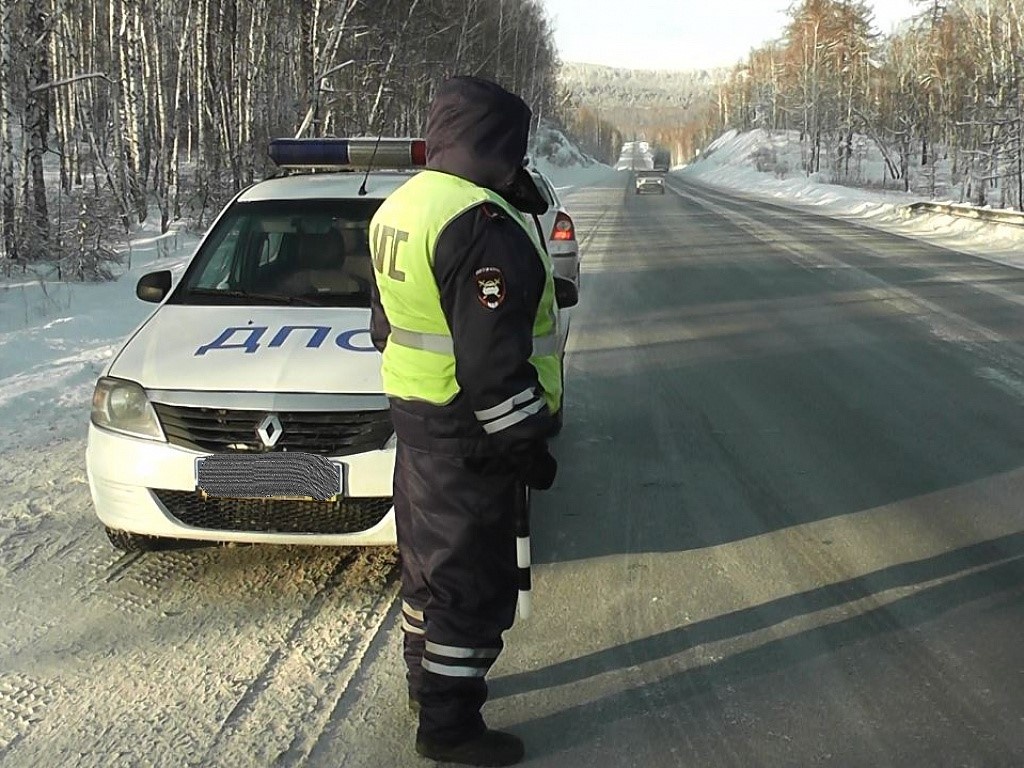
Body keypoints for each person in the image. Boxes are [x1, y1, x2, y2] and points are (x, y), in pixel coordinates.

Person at [368, 76, 562, 766]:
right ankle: (449, 728)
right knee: (471, 584)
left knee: (429, 572)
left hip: (417, 421)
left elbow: (382, 324)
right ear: (499, 145)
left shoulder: (403, 204)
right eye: (514, 148)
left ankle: (426, 686)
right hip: (469, 432)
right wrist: (527, 442)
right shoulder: (480, 227)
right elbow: (492, 365)